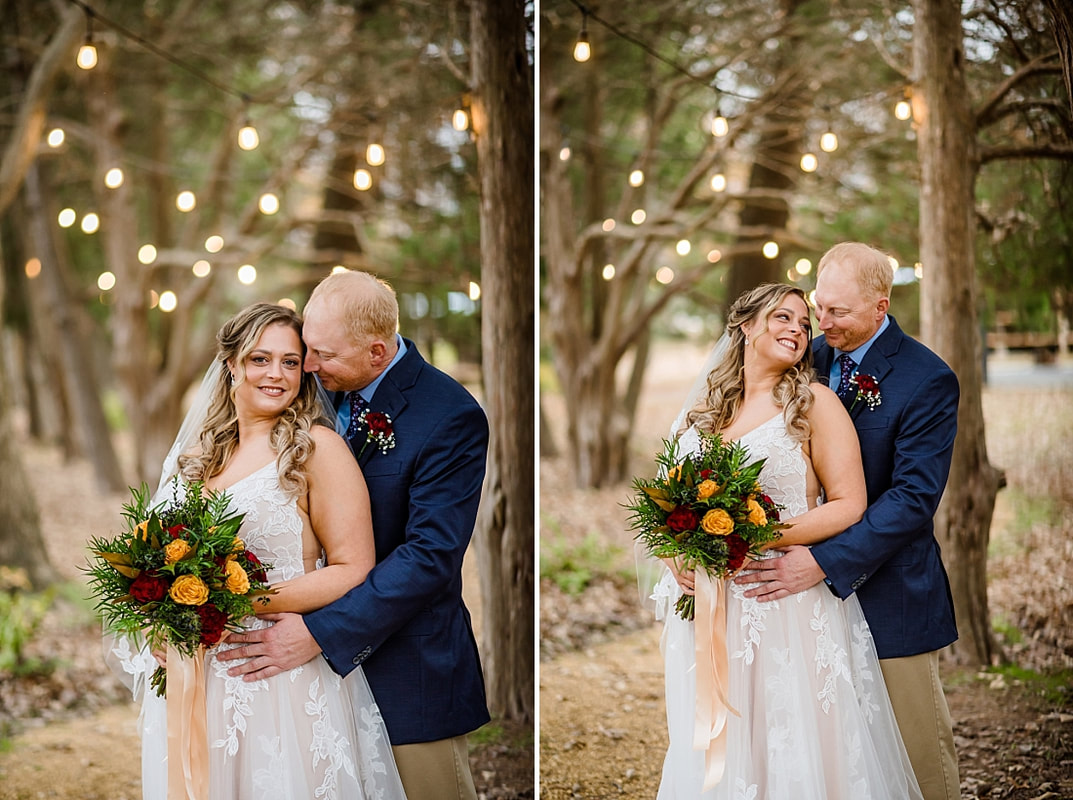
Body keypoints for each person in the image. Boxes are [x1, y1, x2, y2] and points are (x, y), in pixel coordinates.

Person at [107, 303, 407, 799]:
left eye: (291, 362)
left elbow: (355, 568)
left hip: (277, 674)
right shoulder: (198, 456)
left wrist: (237, 603)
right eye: (260, 358)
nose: (277, 374)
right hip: (197, 677)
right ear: (230, 364)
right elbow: (155, 560)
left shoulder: (317, 449)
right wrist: (160, 624)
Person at [218, 270, 490, 800]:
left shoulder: (449, 416)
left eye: (323, 355)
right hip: (293, 686)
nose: (309, 366)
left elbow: (429, 557)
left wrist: (322, 631)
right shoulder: (309, 390)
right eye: (307, 351)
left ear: (376, 350)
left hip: (405, 666)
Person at [653, 282, 923, 798]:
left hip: (784, 602)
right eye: (783, 318)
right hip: (712, 606)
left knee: (789, 733)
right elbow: (669, 504)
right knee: (721, 739)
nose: (798, 331)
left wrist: (751, 534)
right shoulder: (704, 410)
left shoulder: (814, 403)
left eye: (804, 324)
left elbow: (849, 504)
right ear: (746, 326)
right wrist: (674, 555)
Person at [734, 242, 961, 800]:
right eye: (820, 307)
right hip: (804, 617)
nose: (822, 323)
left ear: (881, 307)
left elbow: (912, 499)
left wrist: (824, 561)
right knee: (839, 766)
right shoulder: (807, 357)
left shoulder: (926, 379)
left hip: (889, 594)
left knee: (918, 763)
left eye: (839, 312)